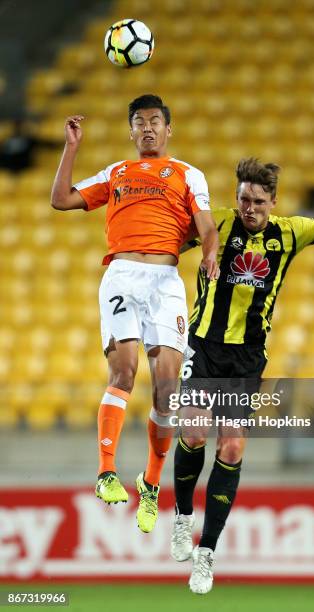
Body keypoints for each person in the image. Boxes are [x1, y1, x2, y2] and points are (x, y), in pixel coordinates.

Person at [171, 157, 314, 594]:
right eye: (244, 199)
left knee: (230, 444)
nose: (250, 208)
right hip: (204, 345)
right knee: (192, 432)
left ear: (273, 202)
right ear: (237, 198)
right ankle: (181, 517)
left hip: (247, 360)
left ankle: (206, 553)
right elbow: (165, 240)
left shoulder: (289, 232)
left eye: (258, 201)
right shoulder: (216, 225)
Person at [50, 94, 219, 533]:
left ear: (168, 129)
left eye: (155, 121)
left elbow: (206, 225)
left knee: (166, 391)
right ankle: (106, 472)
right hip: (122, 275)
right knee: (123, 372)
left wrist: (209, 255)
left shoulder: (187, 174)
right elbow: (62, 199)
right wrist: (71, 147)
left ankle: (150, 484)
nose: (147, 128)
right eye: (140, 122)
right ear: (131, 131)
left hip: (166, 282)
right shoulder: (116, 173)